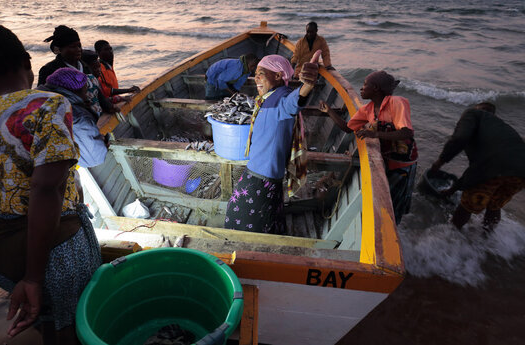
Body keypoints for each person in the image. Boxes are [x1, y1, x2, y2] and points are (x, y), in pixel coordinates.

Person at [0, 23, 101, 344]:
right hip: (57, 252)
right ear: (27, 60)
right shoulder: (48, 105)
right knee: (70, 329)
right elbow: (47, 189)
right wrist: (32, 276)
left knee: (44, 322)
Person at [223, 52, 321, 234]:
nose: (256, 78)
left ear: (277, 76)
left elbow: (293, 103)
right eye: (256, 73)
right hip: (264, 175)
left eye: (261, 73)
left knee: (237, 220)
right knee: (267, 217)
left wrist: (307, 85)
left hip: (261, 178)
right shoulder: (269, 98)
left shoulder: (281, 98)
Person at [320, 71, 418, 224]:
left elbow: (406, 132)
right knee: (388, 198)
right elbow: (347, 128)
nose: (361, 88)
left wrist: (374, 134)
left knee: (397, 203)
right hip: (386, 160)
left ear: (376, 88)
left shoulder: (397, 102)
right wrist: (329, 111)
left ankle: (393, 234)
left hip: (403, 165)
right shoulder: (368, 109)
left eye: (365, 85)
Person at [431, 102, 525, 232]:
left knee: (467, 206)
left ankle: (451, 236)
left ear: (477, 109)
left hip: (494, 167)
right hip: (521, 173)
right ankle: (487, 240)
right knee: (494, 205)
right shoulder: (500, 127)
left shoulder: (473, 113)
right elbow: (476, 170)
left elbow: (460, 139)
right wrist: (452, 190)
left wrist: (439, 162)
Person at [39, 67, 108, 168]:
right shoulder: (78, 117)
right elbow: (95, 158)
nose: (86, 97)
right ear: (75, 92)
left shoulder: (37, 99)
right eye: (85, 92)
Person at [81, 49, 122, 115]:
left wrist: (119, 98)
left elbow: (102, 99)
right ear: (86, 68)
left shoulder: (95, 80)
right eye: (95, 68)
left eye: (99, 67)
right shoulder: (90, 81)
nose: (99, 70)